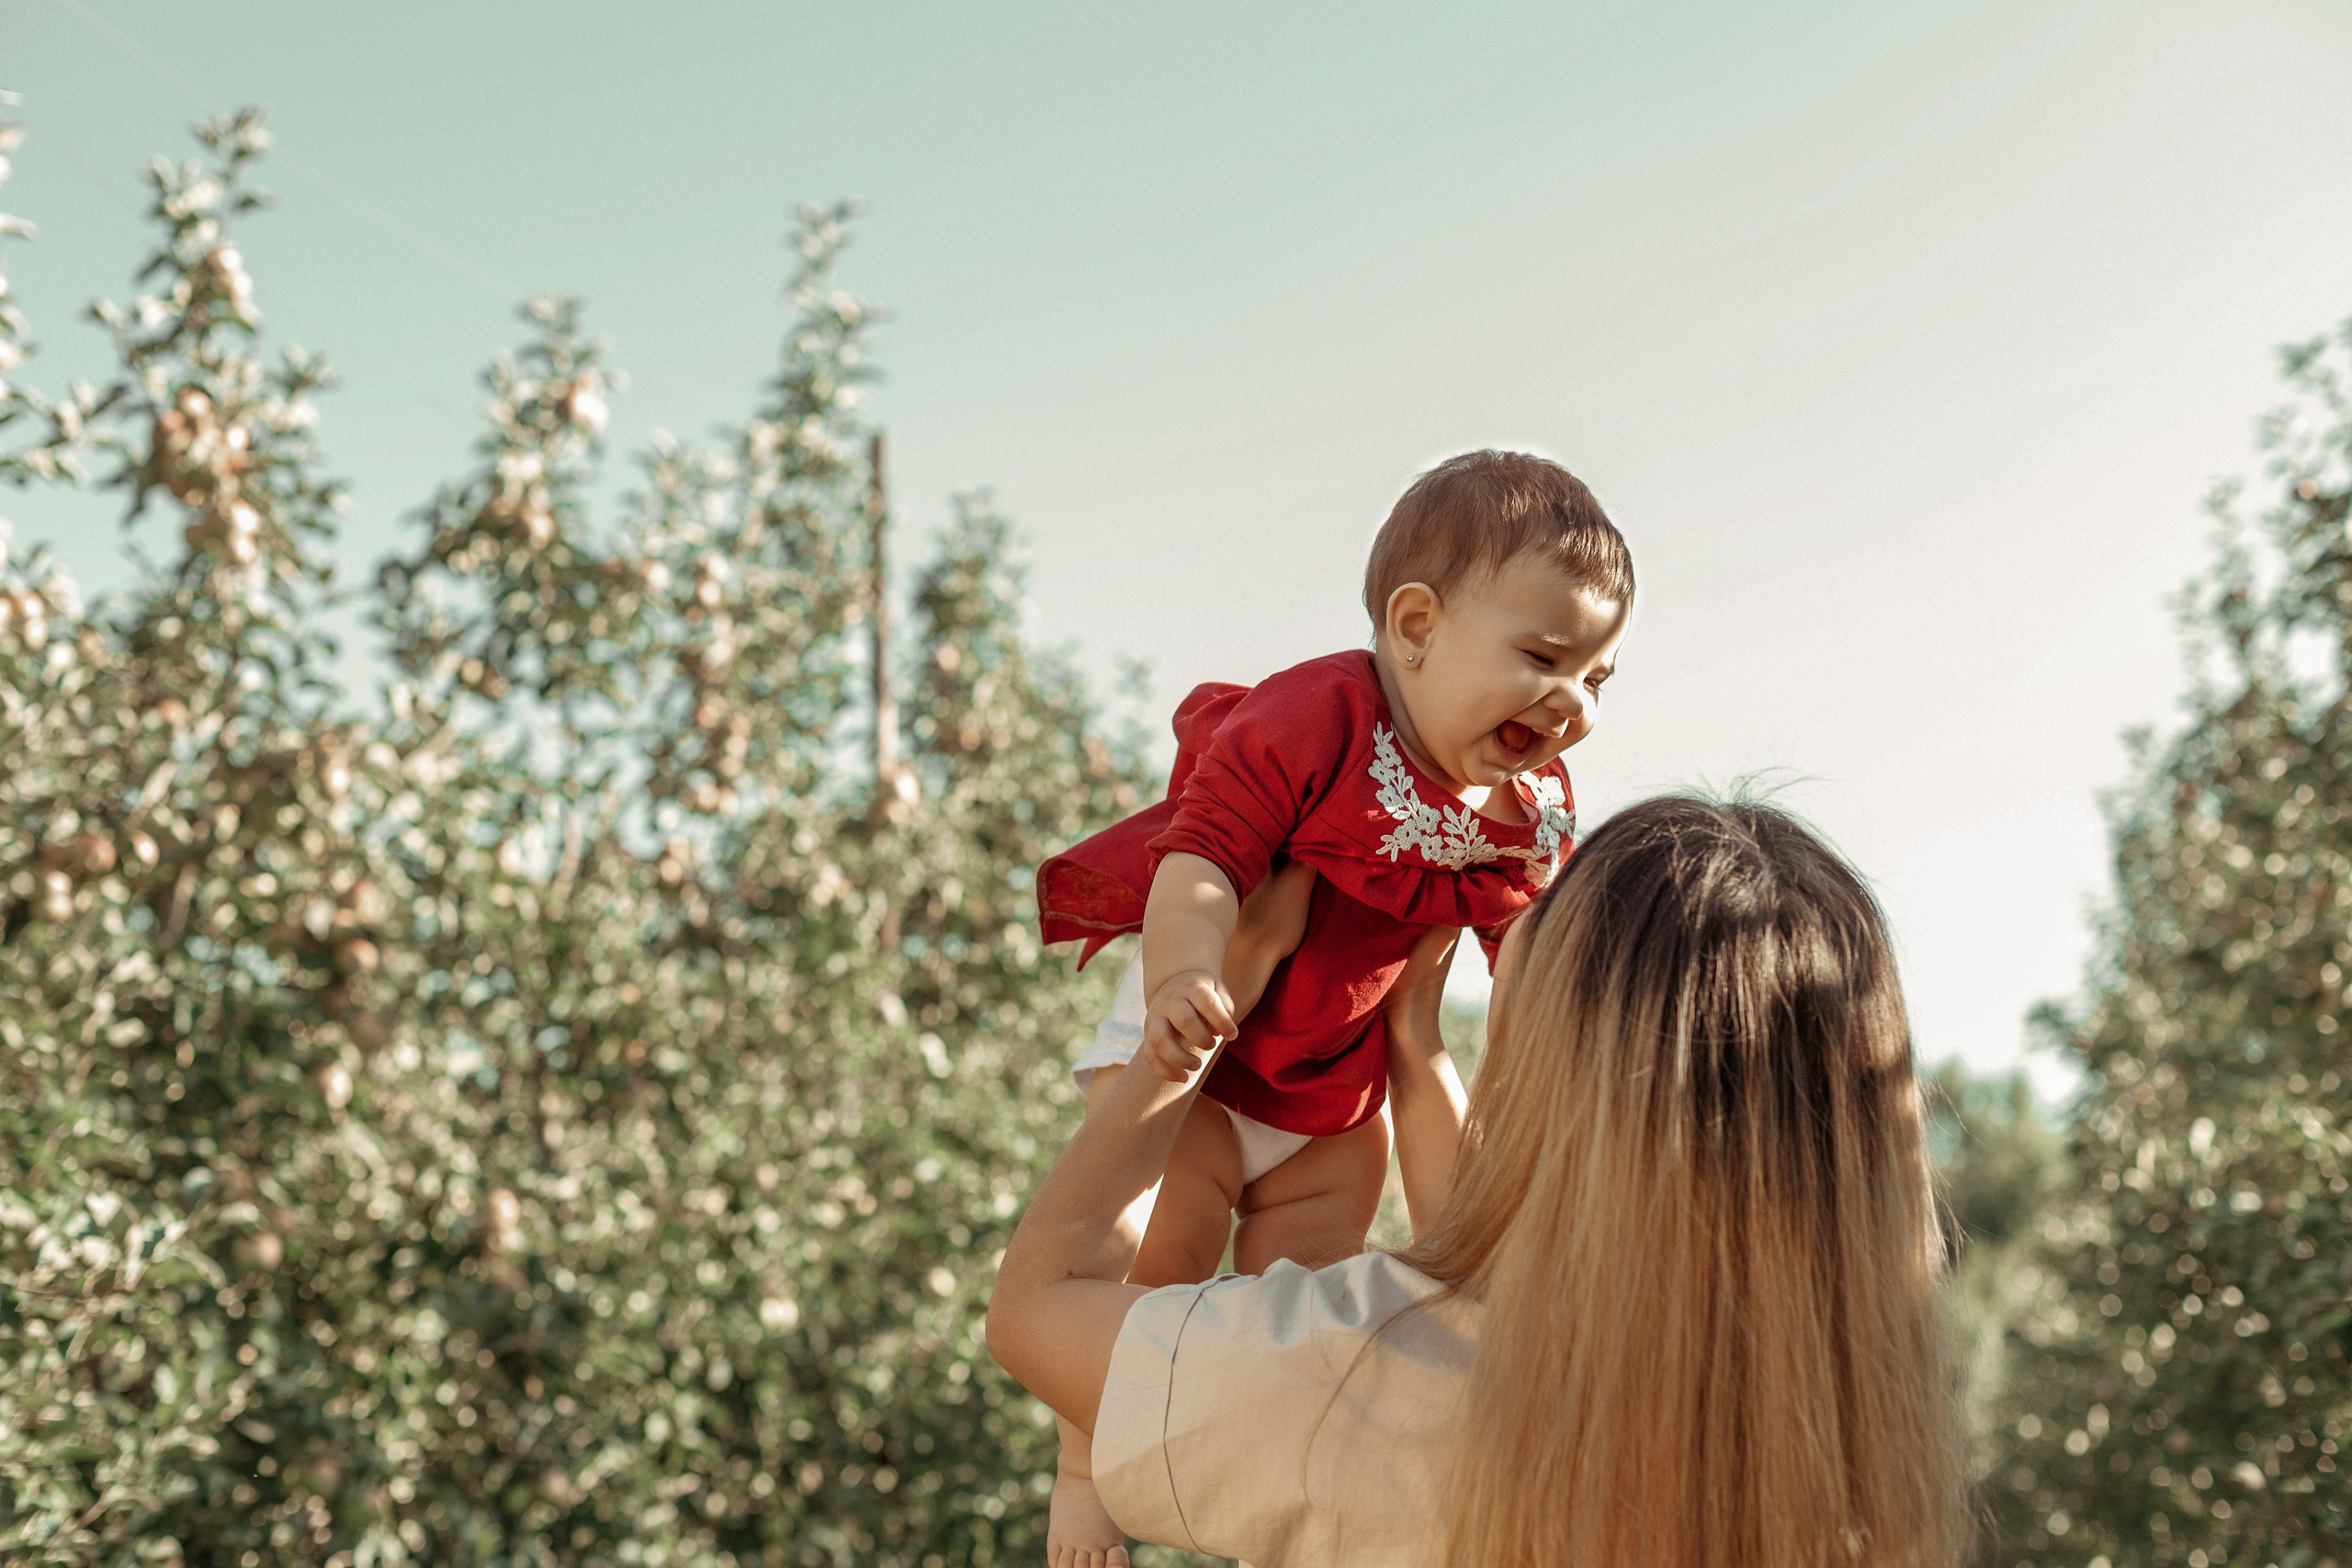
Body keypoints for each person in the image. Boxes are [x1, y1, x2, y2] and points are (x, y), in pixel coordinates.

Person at [990, 795, 1969, 1568]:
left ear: (1551, 1041)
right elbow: (1502, 1272)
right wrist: (1411, 1045)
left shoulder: (1354, 1374)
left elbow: (1039, 1312)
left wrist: (1194, 1021)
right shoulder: (1840, 1463)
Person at [1031, 451, 1634, 1559]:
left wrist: (1569, 1087)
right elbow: (1202, 857)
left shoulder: (1529, 810)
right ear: (1415, 627)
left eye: (1598, 679)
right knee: (1154, 1276)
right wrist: (1182, 977)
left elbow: (1533, 973)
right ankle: (1084, 1471)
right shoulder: (1318, 717)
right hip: (1207, 1046)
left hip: (1332, 1087)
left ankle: (1259, 1487)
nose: (1572, 706)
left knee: (1298, 1312)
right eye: (1545, 658)